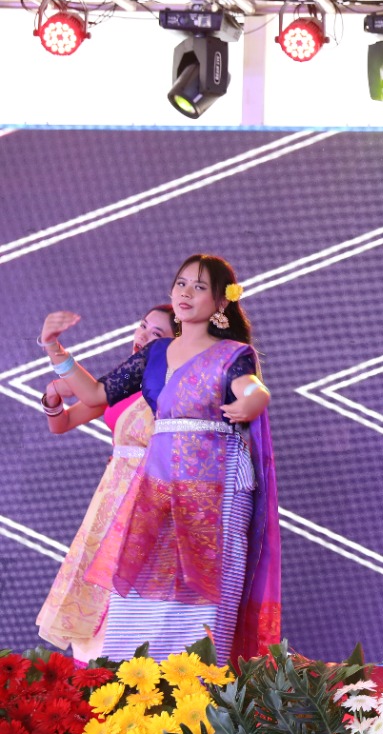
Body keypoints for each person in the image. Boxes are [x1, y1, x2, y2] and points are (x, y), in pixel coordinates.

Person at [38, 255, 280, 664]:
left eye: (199, 287)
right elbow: (96, 393)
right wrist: (54, 348)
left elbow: (252, 387)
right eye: (181, 283)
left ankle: (198, 682)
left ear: (221, 302)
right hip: (157, 481)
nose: (186, 293)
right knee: (140, 584)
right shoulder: (156, 353)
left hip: (215, 485)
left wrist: (253, 401)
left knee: (205, 589)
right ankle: (135, 680)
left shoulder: (231, 353)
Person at [35, 304, 176, 659]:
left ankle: (129, 669)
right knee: (95, 588)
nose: (143, 336)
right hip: (111, 497)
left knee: (129, 590)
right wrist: (52, 400)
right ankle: (92, 671)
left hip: (149, 500)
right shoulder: (126, 383)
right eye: (142, 326)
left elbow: (90, 391)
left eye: (157, 334)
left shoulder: (173, 389)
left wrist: (55, 348)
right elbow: (63, 422)